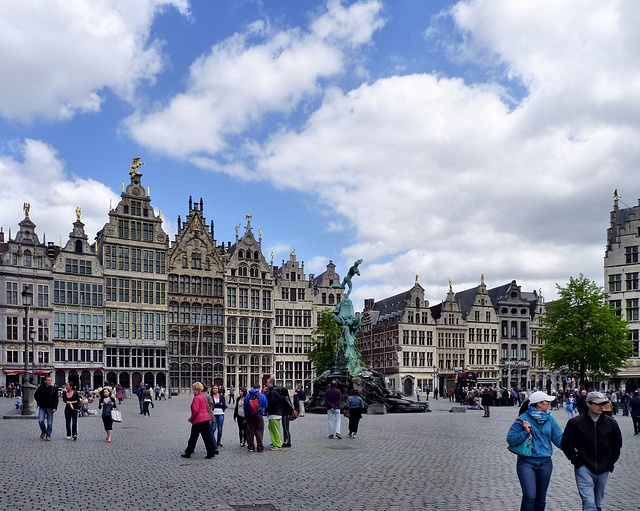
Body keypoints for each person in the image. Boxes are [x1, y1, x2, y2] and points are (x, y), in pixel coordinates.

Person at [561, 391, 622, 511]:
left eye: (603, 404)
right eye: (598, 404)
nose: (601, 407)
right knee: (589, 502)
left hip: (604, 467)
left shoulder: (611, 423)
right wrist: (576, 461)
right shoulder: (575, 423)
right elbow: (566, 443)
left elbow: (617, 445)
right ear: (588, 404)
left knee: (598, 503)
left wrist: (610, 463)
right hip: (584, 466)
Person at [507, 391, 563, 511]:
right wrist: (525, 432)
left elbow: (558, 438)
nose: (549, 404)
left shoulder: (549, 418)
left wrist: (573, 449)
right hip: (526, 462)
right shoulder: (523, 419)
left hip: (545, 463)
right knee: (530, 496)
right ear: (539, 404)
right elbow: (511, 439)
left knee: (541, 498)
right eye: (547, 402)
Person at [182, 382, 216, 459]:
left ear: (196, 389)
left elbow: (195, 410)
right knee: (206, 437)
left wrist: (192, 418)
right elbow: (207, 406)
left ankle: (188, 452)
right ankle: (210, 452)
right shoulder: (203, 396)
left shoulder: (196, 398)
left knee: (193, 437)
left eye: (193, 388)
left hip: (198, 420)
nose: (193, 390)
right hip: (206, 419)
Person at [244, 384, 268, 453]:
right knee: (259, 431)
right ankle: (260, 447)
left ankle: (251, 447)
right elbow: (266, 405)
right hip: (259, 415)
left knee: (250, 431)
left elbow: (245, 406)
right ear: (259, 388)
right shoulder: (262, 395)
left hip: (250, 415)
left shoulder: (248, 396)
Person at [34, 376, 58, 441]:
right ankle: (44, 431)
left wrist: (55, 407)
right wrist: (38, 402)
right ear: (45, 381)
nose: (49, 382)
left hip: (50, 407)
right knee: (40, 421)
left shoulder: (54, 389)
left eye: (50, 380)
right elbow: (35, 395)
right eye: (48, 380)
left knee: (49, 423)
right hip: (42, 407)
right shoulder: (41, 388)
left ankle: (48, 435)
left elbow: (56, 399)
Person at [265, 378, 283, 450]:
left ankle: (277, 443)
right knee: (273, 428)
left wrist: (267, 408)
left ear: (271, 384)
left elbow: (272, 402)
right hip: (276, 412)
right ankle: (276, 441)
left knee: (274, 428)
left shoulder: (272, 392)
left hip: (274, 412)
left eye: (267, 382)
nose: (266, 384)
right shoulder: (275, 391)